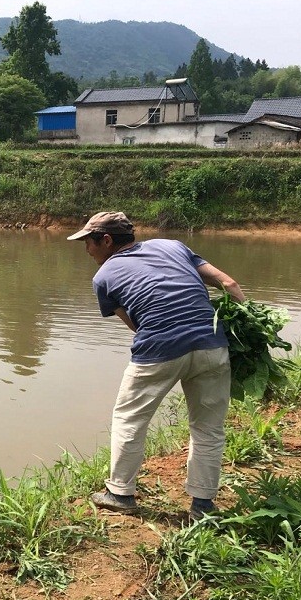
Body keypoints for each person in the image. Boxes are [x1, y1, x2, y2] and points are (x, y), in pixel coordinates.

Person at [68, 211, 245, 520]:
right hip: (212, 343)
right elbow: (227, 282)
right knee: (207, 428)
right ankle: (202, 506)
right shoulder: (173, 246)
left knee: (129, 417)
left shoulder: (104, 276)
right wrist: (245, 330)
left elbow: (136, 325)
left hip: (160, 349)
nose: (87, 250)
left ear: (106, 241)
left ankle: (120, 493)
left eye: (88, 243)